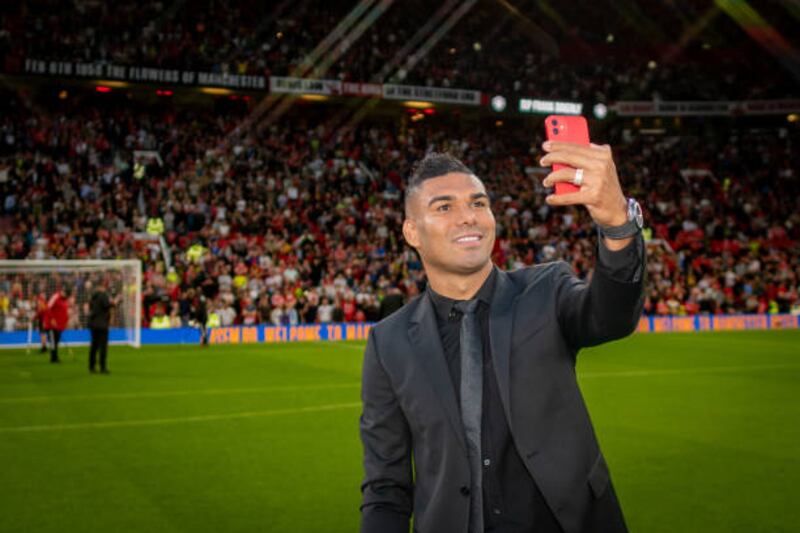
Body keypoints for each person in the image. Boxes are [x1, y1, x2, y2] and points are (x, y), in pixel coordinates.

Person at [359, 147, 646, 533]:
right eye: (444, 207)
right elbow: (386, 487)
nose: (468, 217)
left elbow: (611, 316)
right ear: (412, 232)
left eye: (478, 203)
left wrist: (617, 224)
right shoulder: (387, 341)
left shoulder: (547, 290)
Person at [88, 283, 115, 374]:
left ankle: (91, 366)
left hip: (93, 323)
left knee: (94, 346)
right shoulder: (103, 295)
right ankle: (102, 367)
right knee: (103, 347)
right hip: (102, 324)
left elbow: (91, 308)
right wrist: (113, 302)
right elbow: (106, 305)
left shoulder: (93, 296)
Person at [46, 288, 71, 363]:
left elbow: (65, 312)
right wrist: (52, 319)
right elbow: (48, 307)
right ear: (63, 292)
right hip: (52, 324)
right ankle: (53, 358)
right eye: (66, 295)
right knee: (53, 341)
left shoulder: (65, 300)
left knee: (57, 340)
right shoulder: (55, 297)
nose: (66, 297)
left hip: (59, 325)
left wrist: (66, 322)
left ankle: (55, 356)